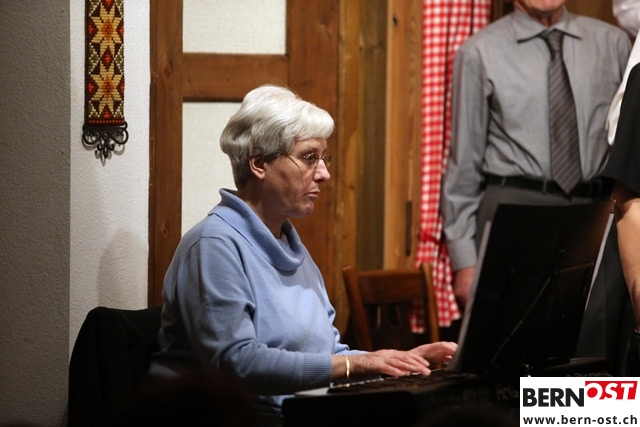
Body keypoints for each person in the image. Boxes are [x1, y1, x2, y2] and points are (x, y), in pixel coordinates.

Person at [149, 84, 458, 426]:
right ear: (259, 163)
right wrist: (357, 365)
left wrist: (397, 361)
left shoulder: (290, 246)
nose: (324, 174)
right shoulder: (214, 245)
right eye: (310, 157)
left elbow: (329, 356)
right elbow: (235, 363)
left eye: (324, 158)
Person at [440, 0, 631, 371]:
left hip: (594, 214)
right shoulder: (480, 51)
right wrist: (465, 262)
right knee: (513, 357)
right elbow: (463, 165)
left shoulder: (613, 44)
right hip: (516, 209)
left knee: (596, 349)